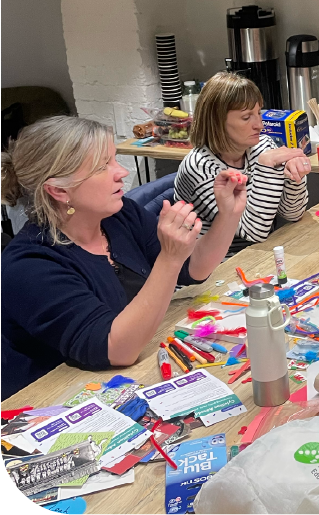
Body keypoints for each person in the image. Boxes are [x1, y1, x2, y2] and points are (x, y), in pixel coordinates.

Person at [1, 117, 247, 400]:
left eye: (114, 159)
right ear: (59, 190)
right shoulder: (30, 266)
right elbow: (117, 349)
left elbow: (193, 268)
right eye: (102, 166)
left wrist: (228, 214)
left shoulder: (118, 216)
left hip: (127, 380)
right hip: (53, 405)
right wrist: (169, 258)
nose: (121, 172)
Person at [175, 72, 310, 255]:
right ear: (217, 121)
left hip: (261, 253)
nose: (259, 125)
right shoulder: (200, 167)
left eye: (258, 113)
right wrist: (265, 168)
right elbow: (252, 232)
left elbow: (293, 213)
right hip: (217, 266)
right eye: (246, 117)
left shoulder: (263, 145)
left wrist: (295, 177)